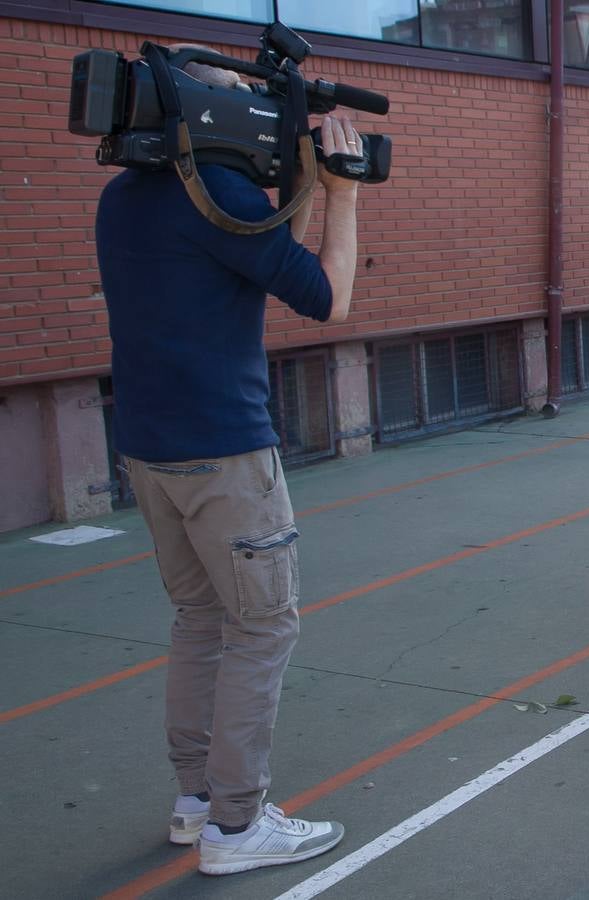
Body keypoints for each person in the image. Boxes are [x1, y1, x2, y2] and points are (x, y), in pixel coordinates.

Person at [93, 45, 363, 874]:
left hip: (149, 450)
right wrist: (343, 193)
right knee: (261, 627)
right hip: (227, 456)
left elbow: (262, 252)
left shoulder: (128, 197)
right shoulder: (218, 197)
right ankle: (238, 826)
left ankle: (195, 800)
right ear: (213, 116)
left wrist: (300, 187)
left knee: (200, 621)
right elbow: (326, 297)